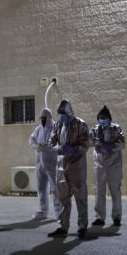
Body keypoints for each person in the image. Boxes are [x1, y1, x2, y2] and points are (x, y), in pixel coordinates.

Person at [48, 99, 90, 240]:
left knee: (80, 197)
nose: (61, 116)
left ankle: (82, 226)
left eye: (64, 113)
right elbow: (51, 142)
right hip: (61, 165)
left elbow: (85, 144)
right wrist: (59, 148)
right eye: (59, 113)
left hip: (76, 166)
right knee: (63, 197)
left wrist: (74, 149)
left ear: (69, 112)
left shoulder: (80, 124)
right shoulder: (57, 125)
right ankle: (63, 226)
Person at [89, 105, 125, 227]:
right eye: (100, 118)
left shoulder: (116, 128)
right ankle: (99, 217)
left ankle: (117, 217)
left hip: (114, 163)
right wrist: (100, 144)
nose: (102, 120)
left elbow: (122, 143)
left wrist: (111, 147)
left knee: (115, 190)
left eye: (104, 118)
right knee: (99, 190)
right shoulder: (95, 129)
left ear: (109, 119)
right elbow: (88, 140)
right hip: (99, 163)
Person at [28, 107, 61, 220]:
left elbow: (60, 142)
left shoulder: (56, 128)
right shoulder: (38, 129)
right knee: (41, 187)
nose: (42, 120)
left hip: (52, 161)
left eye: (44, 118)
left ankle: (59, 212)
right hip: (40, 162)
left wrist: (49, 146)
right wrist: (36, 146)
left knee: (55, 188)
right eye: (41, 118)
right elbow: (31, 140)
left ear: (49, 117)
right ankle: (42, 211)